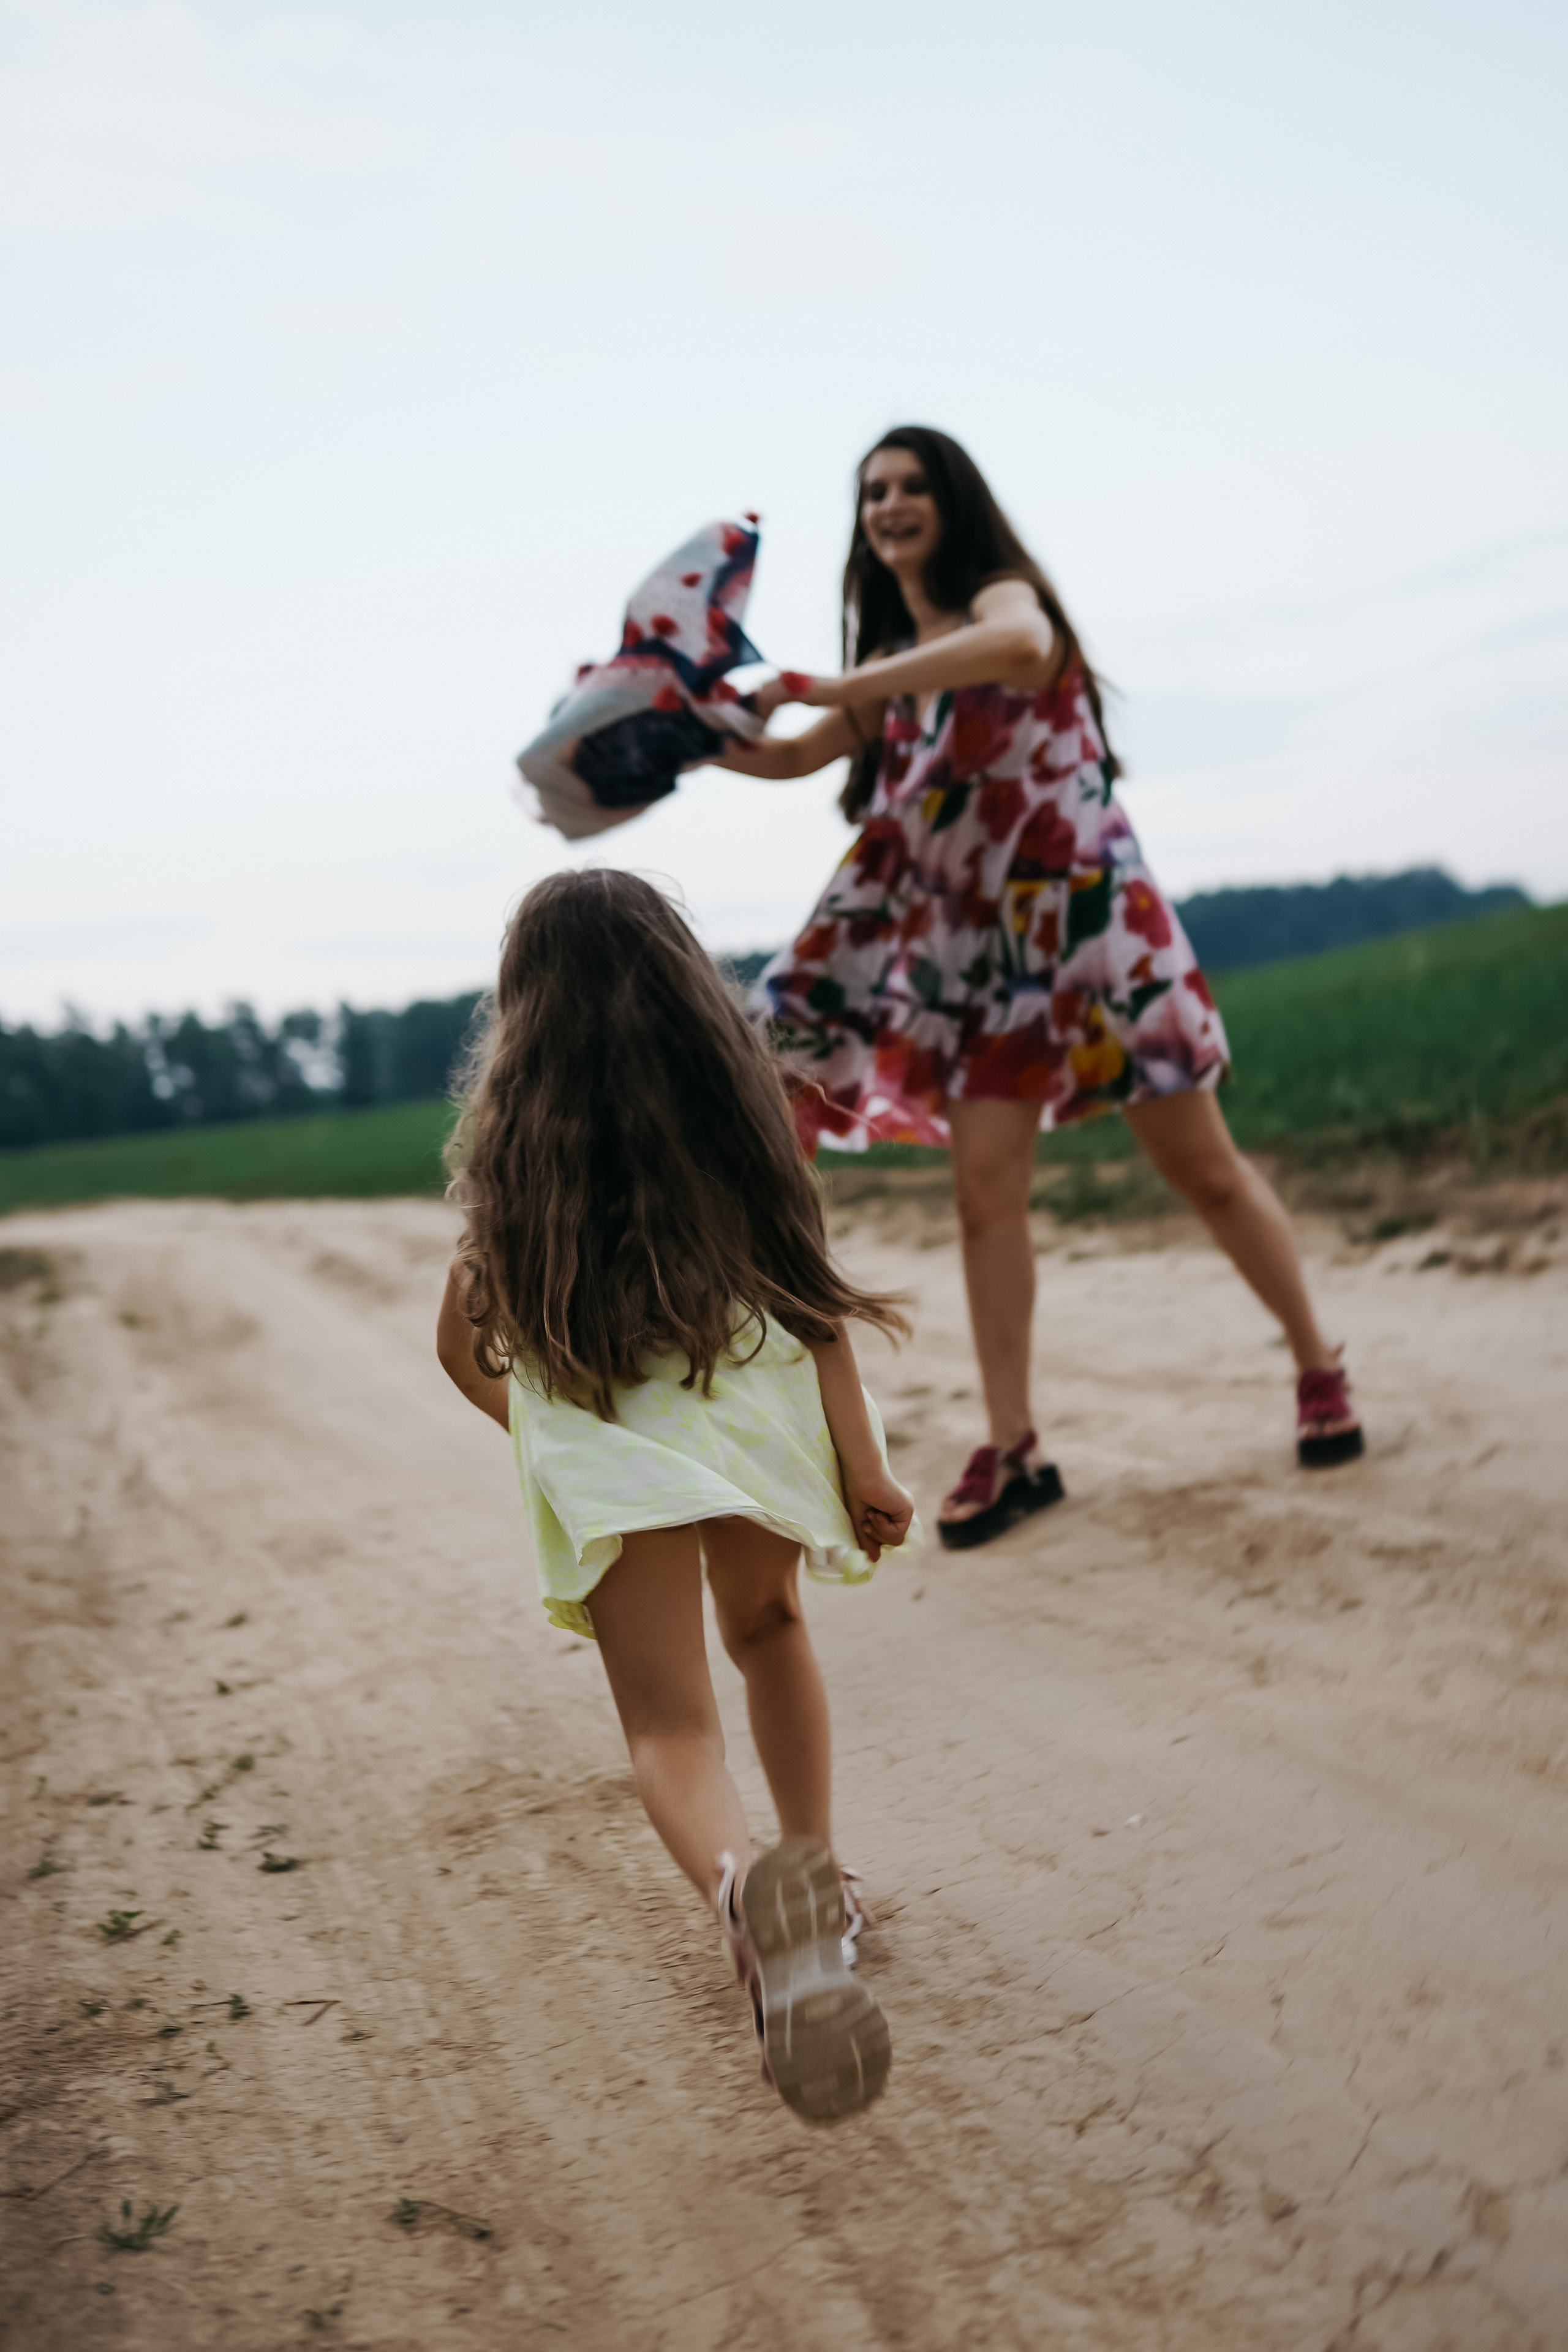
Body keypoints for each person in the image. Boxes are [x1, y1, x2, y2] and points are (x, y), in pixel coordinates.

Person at [718, 425, 1363, 1551]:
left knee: (1203, 1170)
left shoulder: (1001, 602)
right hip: (982, 974)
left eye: (914, 486)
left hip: (1092, 935)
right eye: (874, 491)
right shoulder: (890, 672)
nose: (891, 504)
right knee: (984, 1200)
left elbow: (1016, 649)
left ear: (953, 504)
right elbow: (785, 756)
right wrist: (661, 731)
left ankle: (1319, 1363)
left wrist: (829, 681)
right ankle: (1017, 1447)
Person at [435, 869, 913, 2124]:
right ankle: (811, 1875)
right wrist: (864, 1464)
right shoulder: (734, 1110)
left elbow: (458, 1347)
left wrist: (554, 1446)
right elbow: (810, 1297)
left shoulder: (512, 1156)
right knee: (769, 1631)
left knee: (666, 1729)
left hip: (603, 1437)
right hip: (745, 1403)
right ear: (683, 984)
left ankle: (736, 1887)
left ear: (523, 1013)